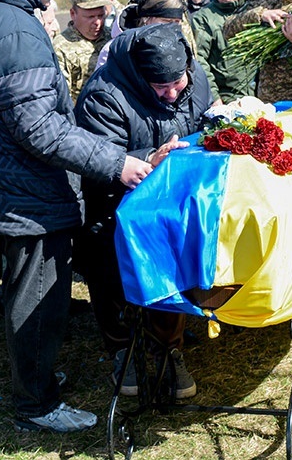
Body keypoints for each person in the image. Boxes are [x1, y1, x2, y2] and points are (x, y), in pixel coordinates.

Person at [0, 0, 154, 432]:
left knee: (29, 286)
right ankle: (36, 403)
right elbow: (38, 126)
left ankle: (33, 372)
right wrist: (116, 161)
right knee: (38, 294)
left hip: (3, 179)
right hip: (25, 187)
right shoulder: (13, 26)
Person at [75, 22, 211, 399]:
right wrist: (147, 158)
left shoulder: (194, 76)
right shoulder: (104, 94)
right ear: (139, 75)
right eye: (160, 88)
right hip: (115, 207)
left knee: (174, 273)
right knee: (113, 280)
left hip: (174, 205)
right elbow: (93, 157)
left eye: (177, 85)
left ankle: (169, 348)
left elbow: (202, 118)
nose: (171, 95)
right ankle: (123, 349)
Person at [191, 0, 254, 105]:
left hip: (258, 96)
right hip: (227, 98)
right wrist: (214, 97)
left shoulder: (255, 11)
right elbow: (199, 59)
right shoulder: (203, 18)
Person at [53, 0, 113, 101]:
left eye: (101, 15)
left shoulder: (111, 38)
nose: (97, 22)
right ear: (73, 14)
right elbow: (62, 96)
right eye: (90, 17)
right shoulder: (61, 46)